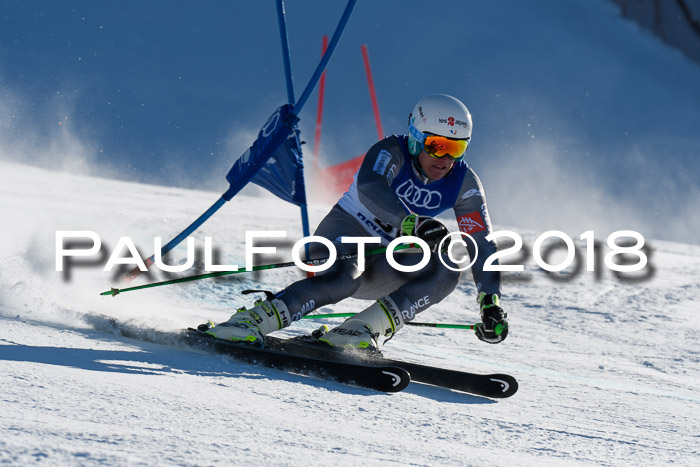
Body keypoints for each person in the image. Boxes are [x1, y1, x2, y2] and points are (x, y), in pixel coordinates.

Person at [206, 94, 507, 350]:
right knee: (344, 276)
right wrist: (411, 224)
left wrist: (490, 302)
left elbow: (481, 241)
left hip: (388, 263)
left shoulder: (464, 182)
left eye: (457, 148)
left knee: (447, 269)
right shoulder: (391, 152)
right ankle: (250, 321)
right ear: (416, 138)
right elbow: (370, 187)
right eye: (438, 146)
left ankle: (361, 330)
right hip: (345, 235)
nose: (446, 159)